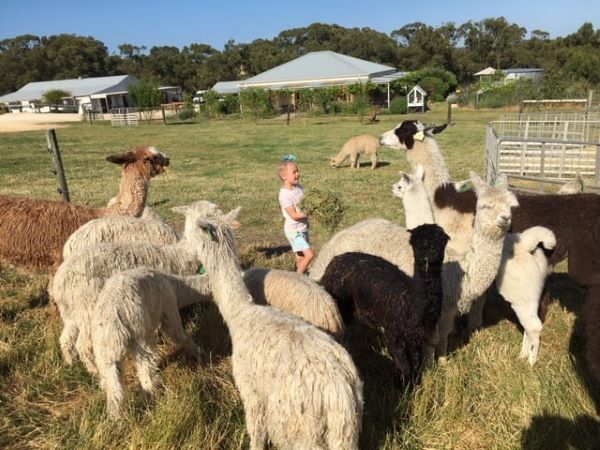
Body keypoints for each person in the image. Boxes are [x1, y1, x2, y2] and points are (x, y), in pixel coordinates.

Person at [277, 155, 314, 274]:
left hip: (302, 229)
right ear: (284, 176)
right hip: (294, 232)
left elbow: (304, 203)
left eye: (298, 171)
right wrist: (308, 213)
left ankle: (299, 272)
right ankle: (297, 279)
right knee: (309, 255)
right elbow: (293, 215)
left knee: (301, 259)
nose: (298, 174)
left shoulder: (299, 188)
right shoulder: (284, 195)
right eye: (294, 172)